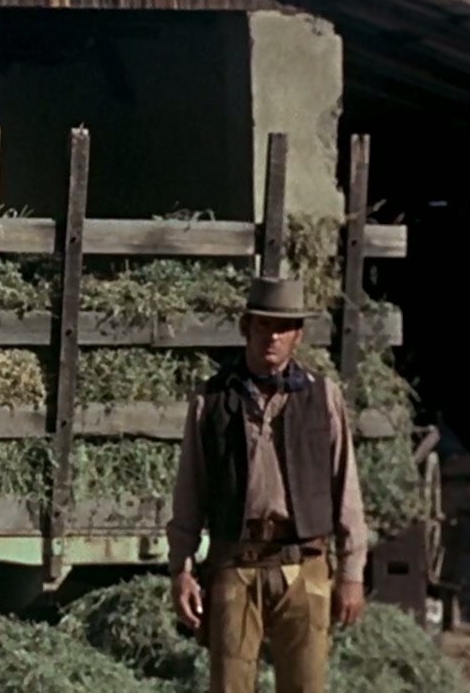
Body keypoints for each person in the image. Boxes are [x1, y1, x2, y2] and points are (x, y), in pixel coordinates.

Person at [166, 275, 369, 693]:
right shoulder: (211, 399)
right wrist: (181, 571)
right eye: (263, 325)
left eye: (283, 327)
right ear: (246, 327)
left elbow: (346, 487)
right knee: (230, 687)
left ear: (298, 335)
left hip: (305, 565)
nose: (272, 337)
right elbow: (189, 493)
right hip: (235, 565)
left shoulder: (324, 397)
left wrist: (352, 573)